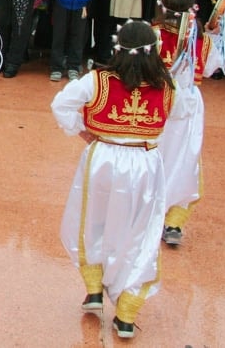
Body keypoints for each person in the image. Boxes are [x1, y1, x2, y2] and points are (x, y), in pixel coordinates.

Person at [51, 20, 176, 339]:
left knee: (93, 222)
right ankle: (126, 315)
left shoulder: (97, 80)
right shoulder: (167, 85)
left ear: (117, 47)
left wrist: (81, 130)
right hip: (145, 163)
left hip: (103, 157)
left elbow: (61, 104)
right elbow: (172, 121)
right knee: (140, 234)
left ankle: (94, 289)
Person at [152, 0, 225, 247]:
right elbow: (213, 67)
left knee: (153, 158)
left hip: (158, 103)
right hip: (188, 107)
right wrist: (214, 35)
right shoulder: (199, 39)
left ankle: (147, 217)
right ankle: (173, 223)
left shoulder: (152, 35)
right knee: (185, 162)